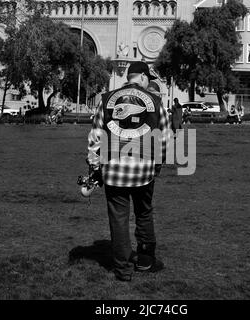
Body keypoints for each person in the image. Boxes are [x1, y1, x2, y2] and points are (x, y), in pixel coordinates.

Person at [86, 61, 170, 282]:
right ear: (142, 77)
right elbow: (165, 138)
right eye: (148, 79)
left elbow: (95, 137)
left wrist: (95, 168)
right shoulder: (156, 101)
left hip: (114, 170)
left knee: (119, 219)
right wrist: (158, 164)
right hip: (144, 170)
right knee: (144, 213)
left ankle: (122, 271)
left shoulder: (106, 99)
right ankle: (145, 261)